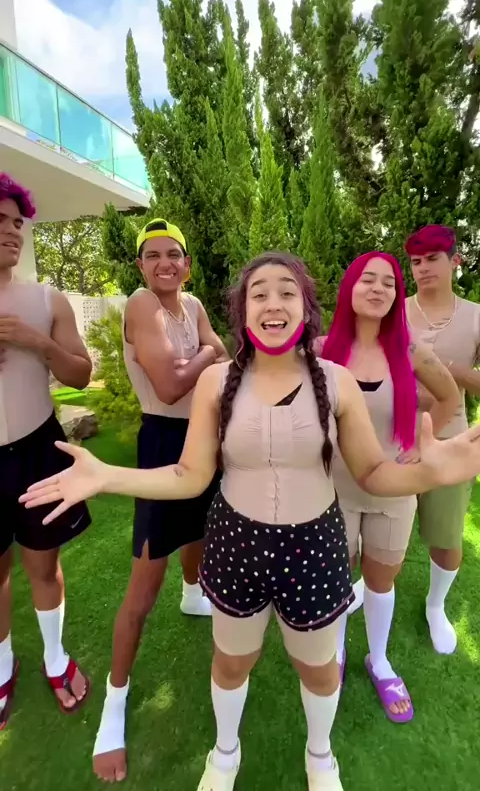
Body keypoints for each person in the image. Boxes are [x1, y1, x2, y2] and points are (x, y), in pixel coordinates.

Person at [20, 252, 480, 791]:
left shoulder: (336, 382)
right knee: (231, 663)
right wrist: (107, 477)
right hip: (237, 545)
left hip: (314, 548)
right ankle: (225, 753)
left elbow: (374, 473)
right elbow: (190, 476)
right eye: (259, 294)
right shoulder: (216, 382)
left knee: (318, 669)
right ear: (243, 312)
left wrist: (429, 472)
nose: (273, 303)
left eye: (287, 292)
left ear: (305, 309)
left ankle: (320, 756)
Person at [91, 218, 228, 782]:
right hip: (164, 440)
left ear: (187, 265)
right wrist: (205, 357)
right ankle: (114, 704)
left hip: (204, 433)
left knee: (203, 527)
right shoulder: (141, 304)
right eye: (153, 255)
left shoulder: (191, 304)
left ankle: (194, 595)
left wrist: (202, 355)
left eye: (174, 254)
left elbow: (220, 349)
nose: (165, 263)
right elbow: (170, 388)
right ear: (140, 265)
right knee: (144, 585)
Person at [315, 252, 459, 723]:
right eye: (367, 280)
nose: (378, 289)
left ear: (397, 295)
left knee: (380, 582)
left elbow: (449, 396)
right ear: (350, 288)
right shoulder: (321, 351)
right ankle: (335, 654)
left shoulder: (410, 350)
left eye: (389, 283)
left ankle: (378, 661)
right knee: (337, 582)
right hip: (332, 490)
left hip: (393, 491)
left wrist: (417, 446)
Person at [0, 173, 92, 730]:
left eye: (17, 223)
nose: (13, 231)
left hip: (36, 450)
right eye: (0, 221)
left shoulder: (45, 300)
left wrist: (35, 342)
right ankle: (2, 666)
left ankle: (55, 659)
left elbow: (80, 373)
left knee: (43, 565)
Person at [405, 224, 480, 655]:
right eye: (416, 261)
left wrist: (448, 370)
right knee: (374, 526)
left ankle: (436, 604)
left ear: (455, 261)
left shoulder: (474, 316)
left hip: (451, 439)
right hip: (392, 433)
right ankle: (370, 584)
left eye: (433, 258)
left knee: (447, 536)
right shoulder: (395, 311)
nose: (423, 268)